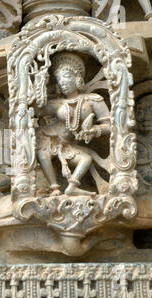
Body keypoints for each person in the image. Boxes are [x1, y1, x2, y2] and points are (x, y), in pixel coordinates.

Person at [36, 53, 111, 196]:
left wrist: (95, 130)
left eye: (66, 77)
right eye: (59, 79)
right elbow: (35, 110)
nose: (62, 82)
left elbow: (109, 126)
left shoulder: (93, 100)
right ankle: (54, 187)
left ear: (78, 79)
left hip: (68, 145)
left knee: (86, 159)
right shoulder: (55, 103)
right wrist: (39, 89)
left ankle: (72, 187)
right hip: (48, 138)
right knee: (43, 153)